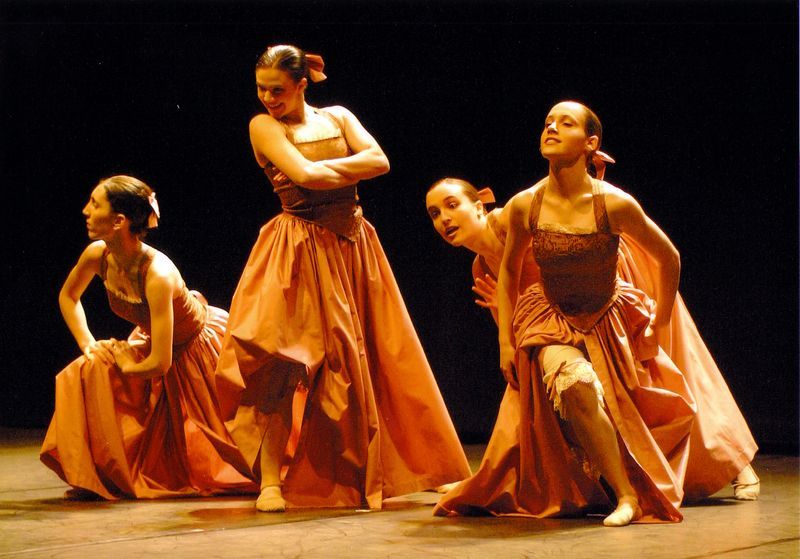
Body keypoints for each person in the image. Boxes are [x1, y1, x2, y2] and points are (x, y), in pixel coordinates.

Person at [214, 44, 470, 513]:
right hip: (296, 246)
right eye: (261, 89)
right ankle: (270, 480)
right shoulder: (263, 126)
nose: (268, 98)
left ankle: (423, 467)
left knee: (382, 350)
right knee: (279, 360)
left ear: (301, 85)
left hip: (352, 242)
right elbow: (305, 174)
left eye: (277, 90)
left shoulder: (338, 116)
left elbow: (380, 161)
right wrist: (346, 169)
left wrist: (322, 172)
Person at [434, 100, 713, 527]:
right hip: (549, 316)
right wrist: (506, 341)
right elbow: (509, 272)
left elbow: (668, 257)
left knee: (644, 405)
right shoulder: (527, 203)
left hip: (606, 314)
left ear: (590, 143)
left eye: (566, 124)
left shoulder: (614, 203)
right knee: (575, 384)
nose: (552, 128)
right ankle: (625, 496)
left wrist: (659, 324)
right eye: (548, 122)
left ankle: (672, 472)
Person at [425, 175, 759, 503]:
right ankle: (520, 476)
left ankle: (734, 461)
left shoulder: (509, 218)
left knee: (664, 368)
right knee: (553, 386)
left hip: (602, 284)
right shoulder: (481, 269)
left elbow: (554, 214)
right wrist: (506, 314)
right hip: (558, 325)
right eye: (435, 213)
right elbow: (520, 332)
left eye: (452, 205)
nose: (445, 219)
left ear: (479, 206)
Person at [40, 175, 256, 499]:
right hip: (155, 342)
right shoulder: (97, 255)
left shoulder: (157, 274)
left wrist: (127, 366)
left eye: (94, 204)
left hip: (195, 351)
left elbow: (161, 363)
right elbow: (68, 297)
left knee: (231, 454)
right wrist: (88, 343)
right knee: (88, 368)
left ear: (119, 221)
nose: (86, 210)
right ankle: (99, 474)